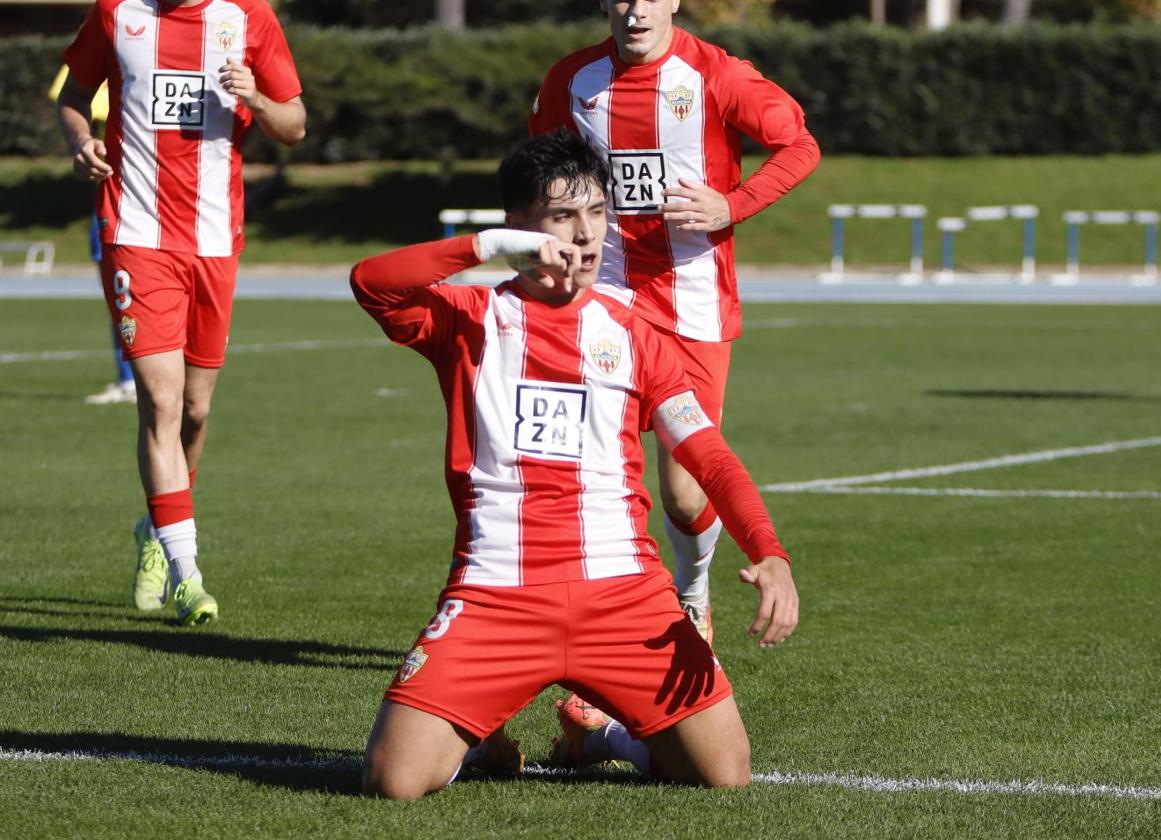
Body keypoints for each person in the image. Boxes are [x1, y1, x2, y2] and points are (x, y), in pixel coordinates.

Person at [352, 129, 799, 800]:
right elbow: (372, 283)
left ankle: (601, 737)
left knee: (723, 776)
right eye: (562, 216)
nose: (586, 234)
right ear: (522, 228)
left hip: (625, 597)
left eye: (597, 213)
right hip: (496, 593)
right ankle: (480, 735)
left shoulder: (637, 334)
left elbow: (705, 451)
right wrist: (486, 249)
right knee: (392, 781)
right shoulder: (472, 319)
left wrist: (769, 551)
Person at [530, 0, 820, 642]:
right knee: (591, 470)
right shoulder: (571, 81)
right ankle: (591, 619)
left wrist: (733, 205)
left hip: (692, 307)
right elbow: (542, 173)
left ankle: (692, 595)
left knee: (688, 494)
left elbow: (799, 146)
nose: (636, 10)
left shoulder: (718, 76)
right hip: (602, 302)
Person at [57, 0, 306, 624]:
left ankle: (156, 526)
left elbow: (294, 124)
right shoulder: (117, 12)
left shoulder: (249, 18)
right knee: (162, 403)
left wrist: (257, 97)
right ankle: (187, 574)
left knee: (195, 411)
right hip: (135, 233)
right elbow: (74, 94)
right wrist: (81, 140)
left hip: (216, 239)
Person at [47, 66, 136, 405]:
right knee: (120, 299)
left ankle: (133, 379)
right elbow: (70, 97)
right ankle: (130, 378)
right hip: (111, 200)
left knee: (124, 298)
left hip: (129, 208)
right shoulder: (100, 49)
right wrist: (84, 141)